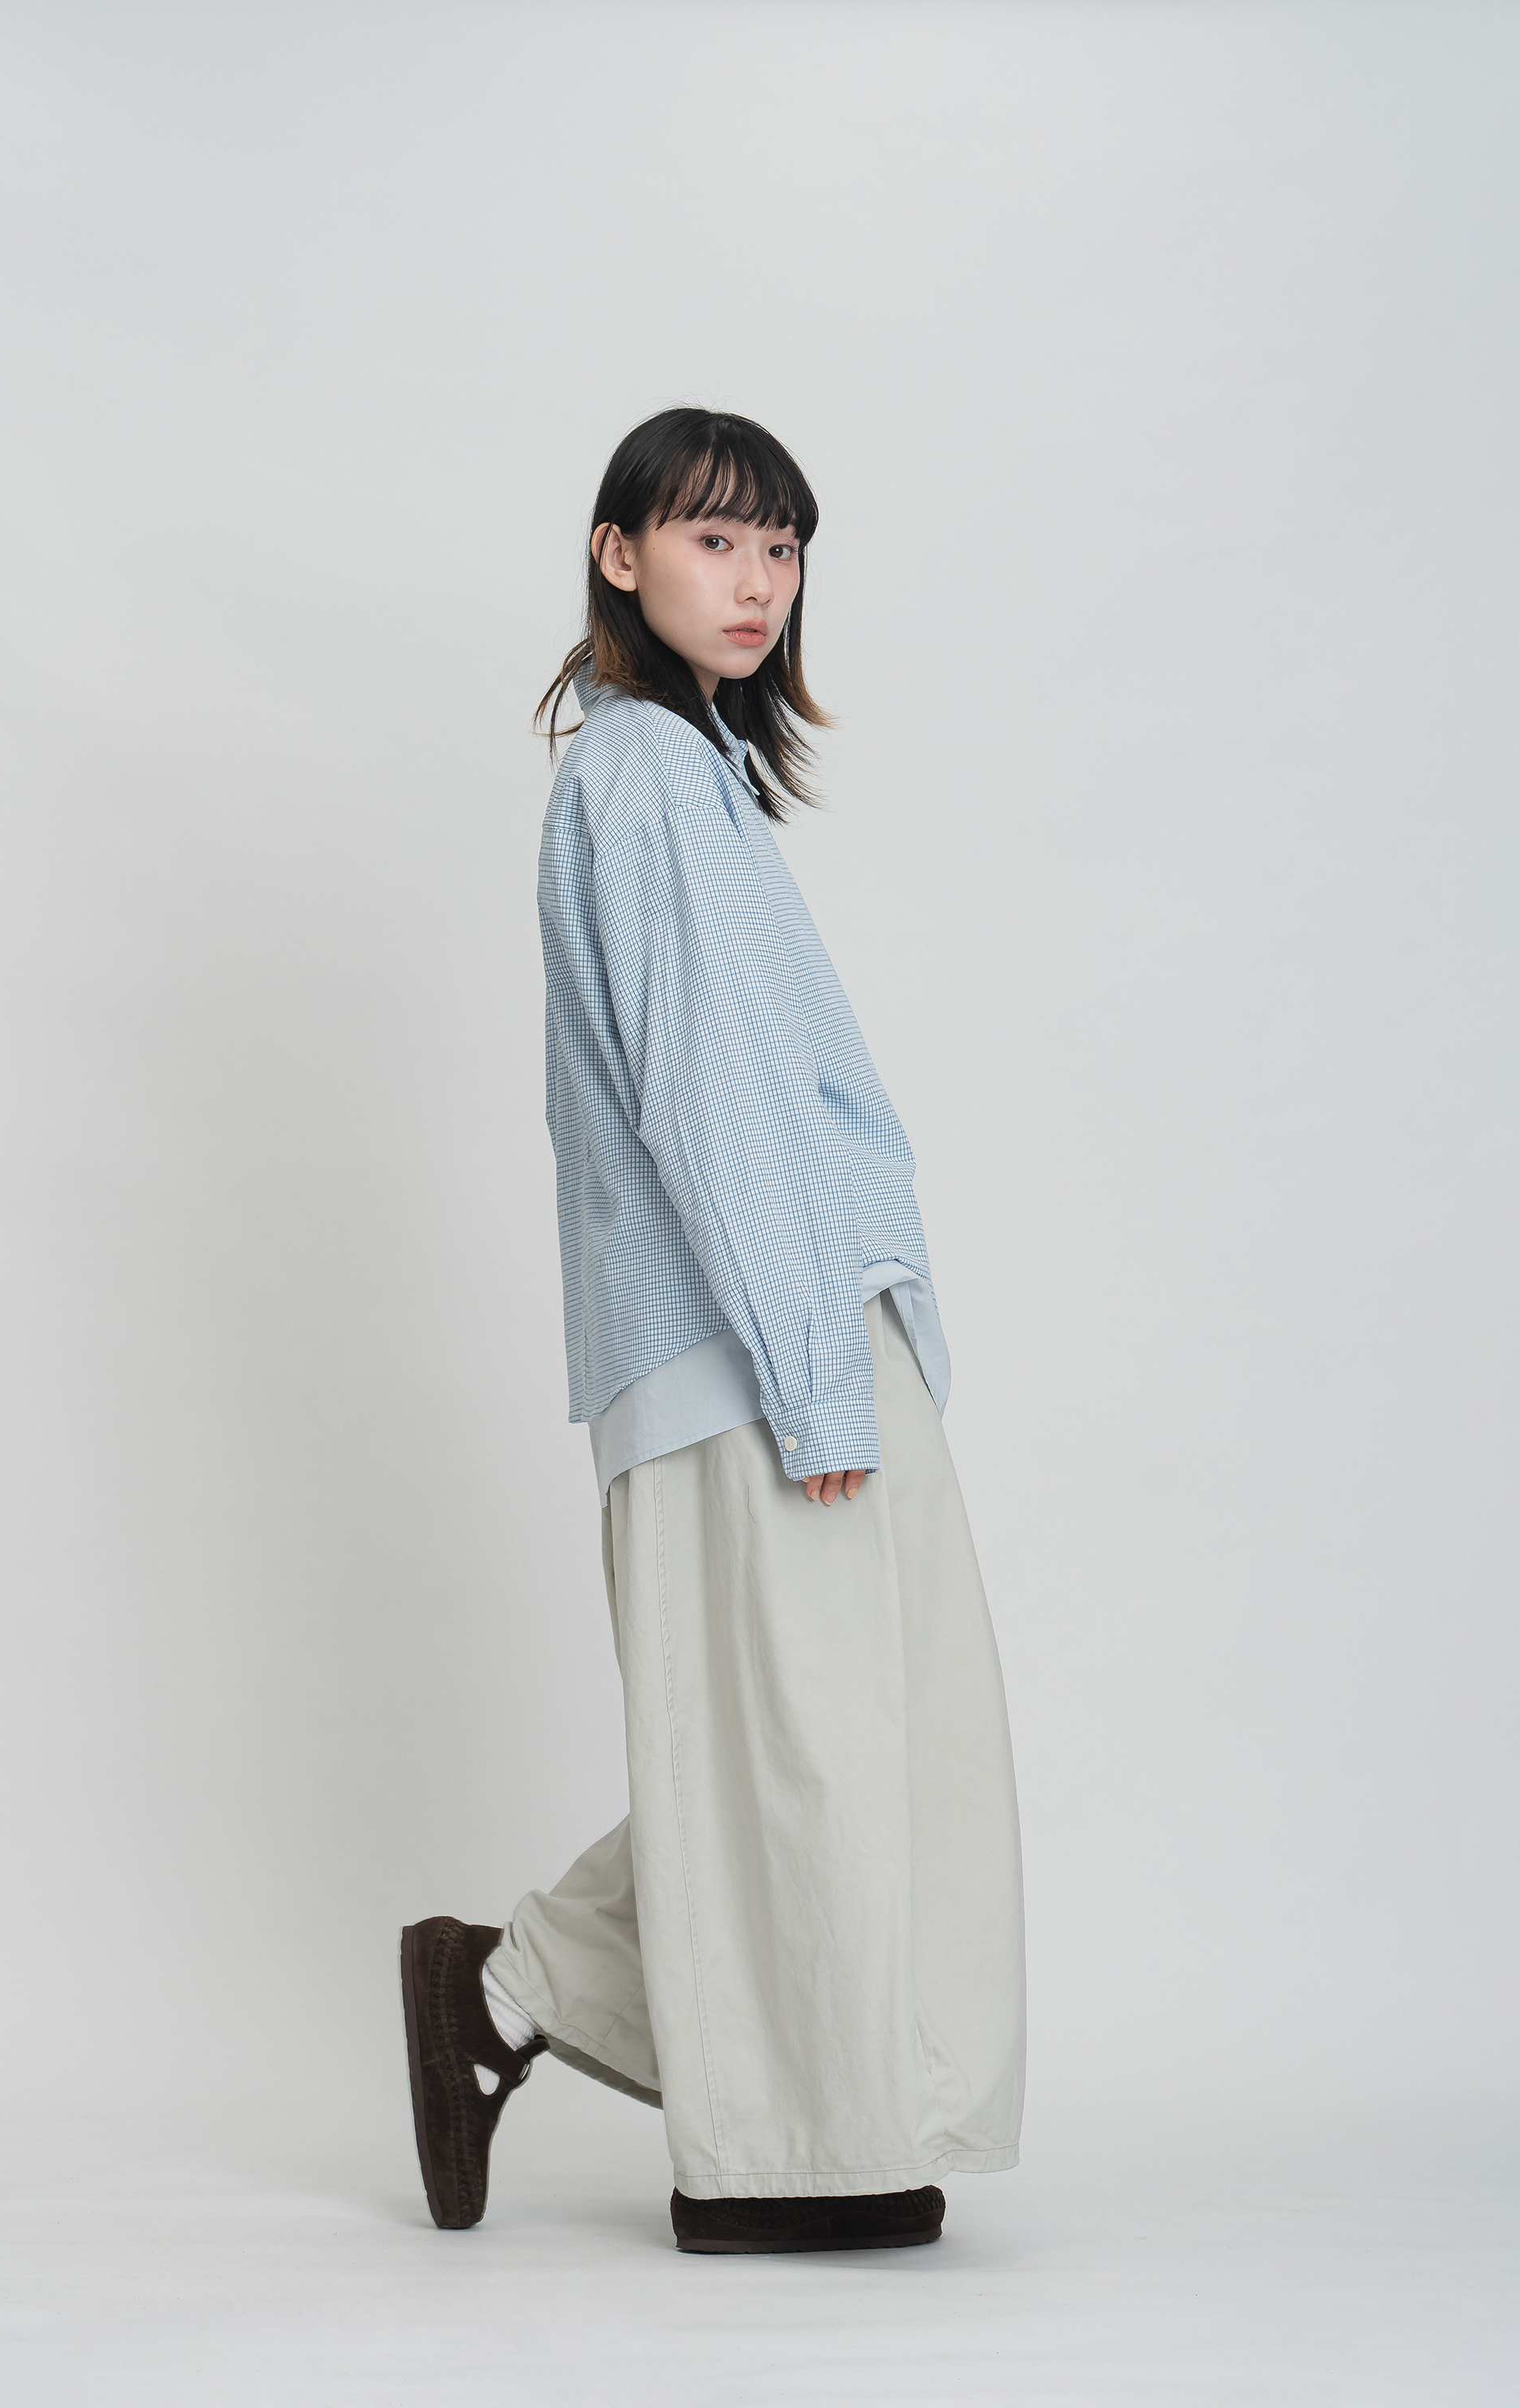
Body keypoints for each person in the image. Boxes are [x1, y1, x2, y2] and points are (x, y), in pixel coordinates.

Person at [401, 407, 1025, 2255]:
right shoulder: (648, 779)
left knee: (827, 1738)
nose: (756, 581)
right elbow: (714, 1108)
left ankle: (514, 1990)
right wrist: (816, 1381)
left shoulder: (688, 770)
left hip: (788, 1326)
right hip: (756, 1348)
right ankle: (778, 2151)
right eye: (711, 539)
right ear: (619, 554)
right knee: (803, 1749)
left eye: (781, 546)